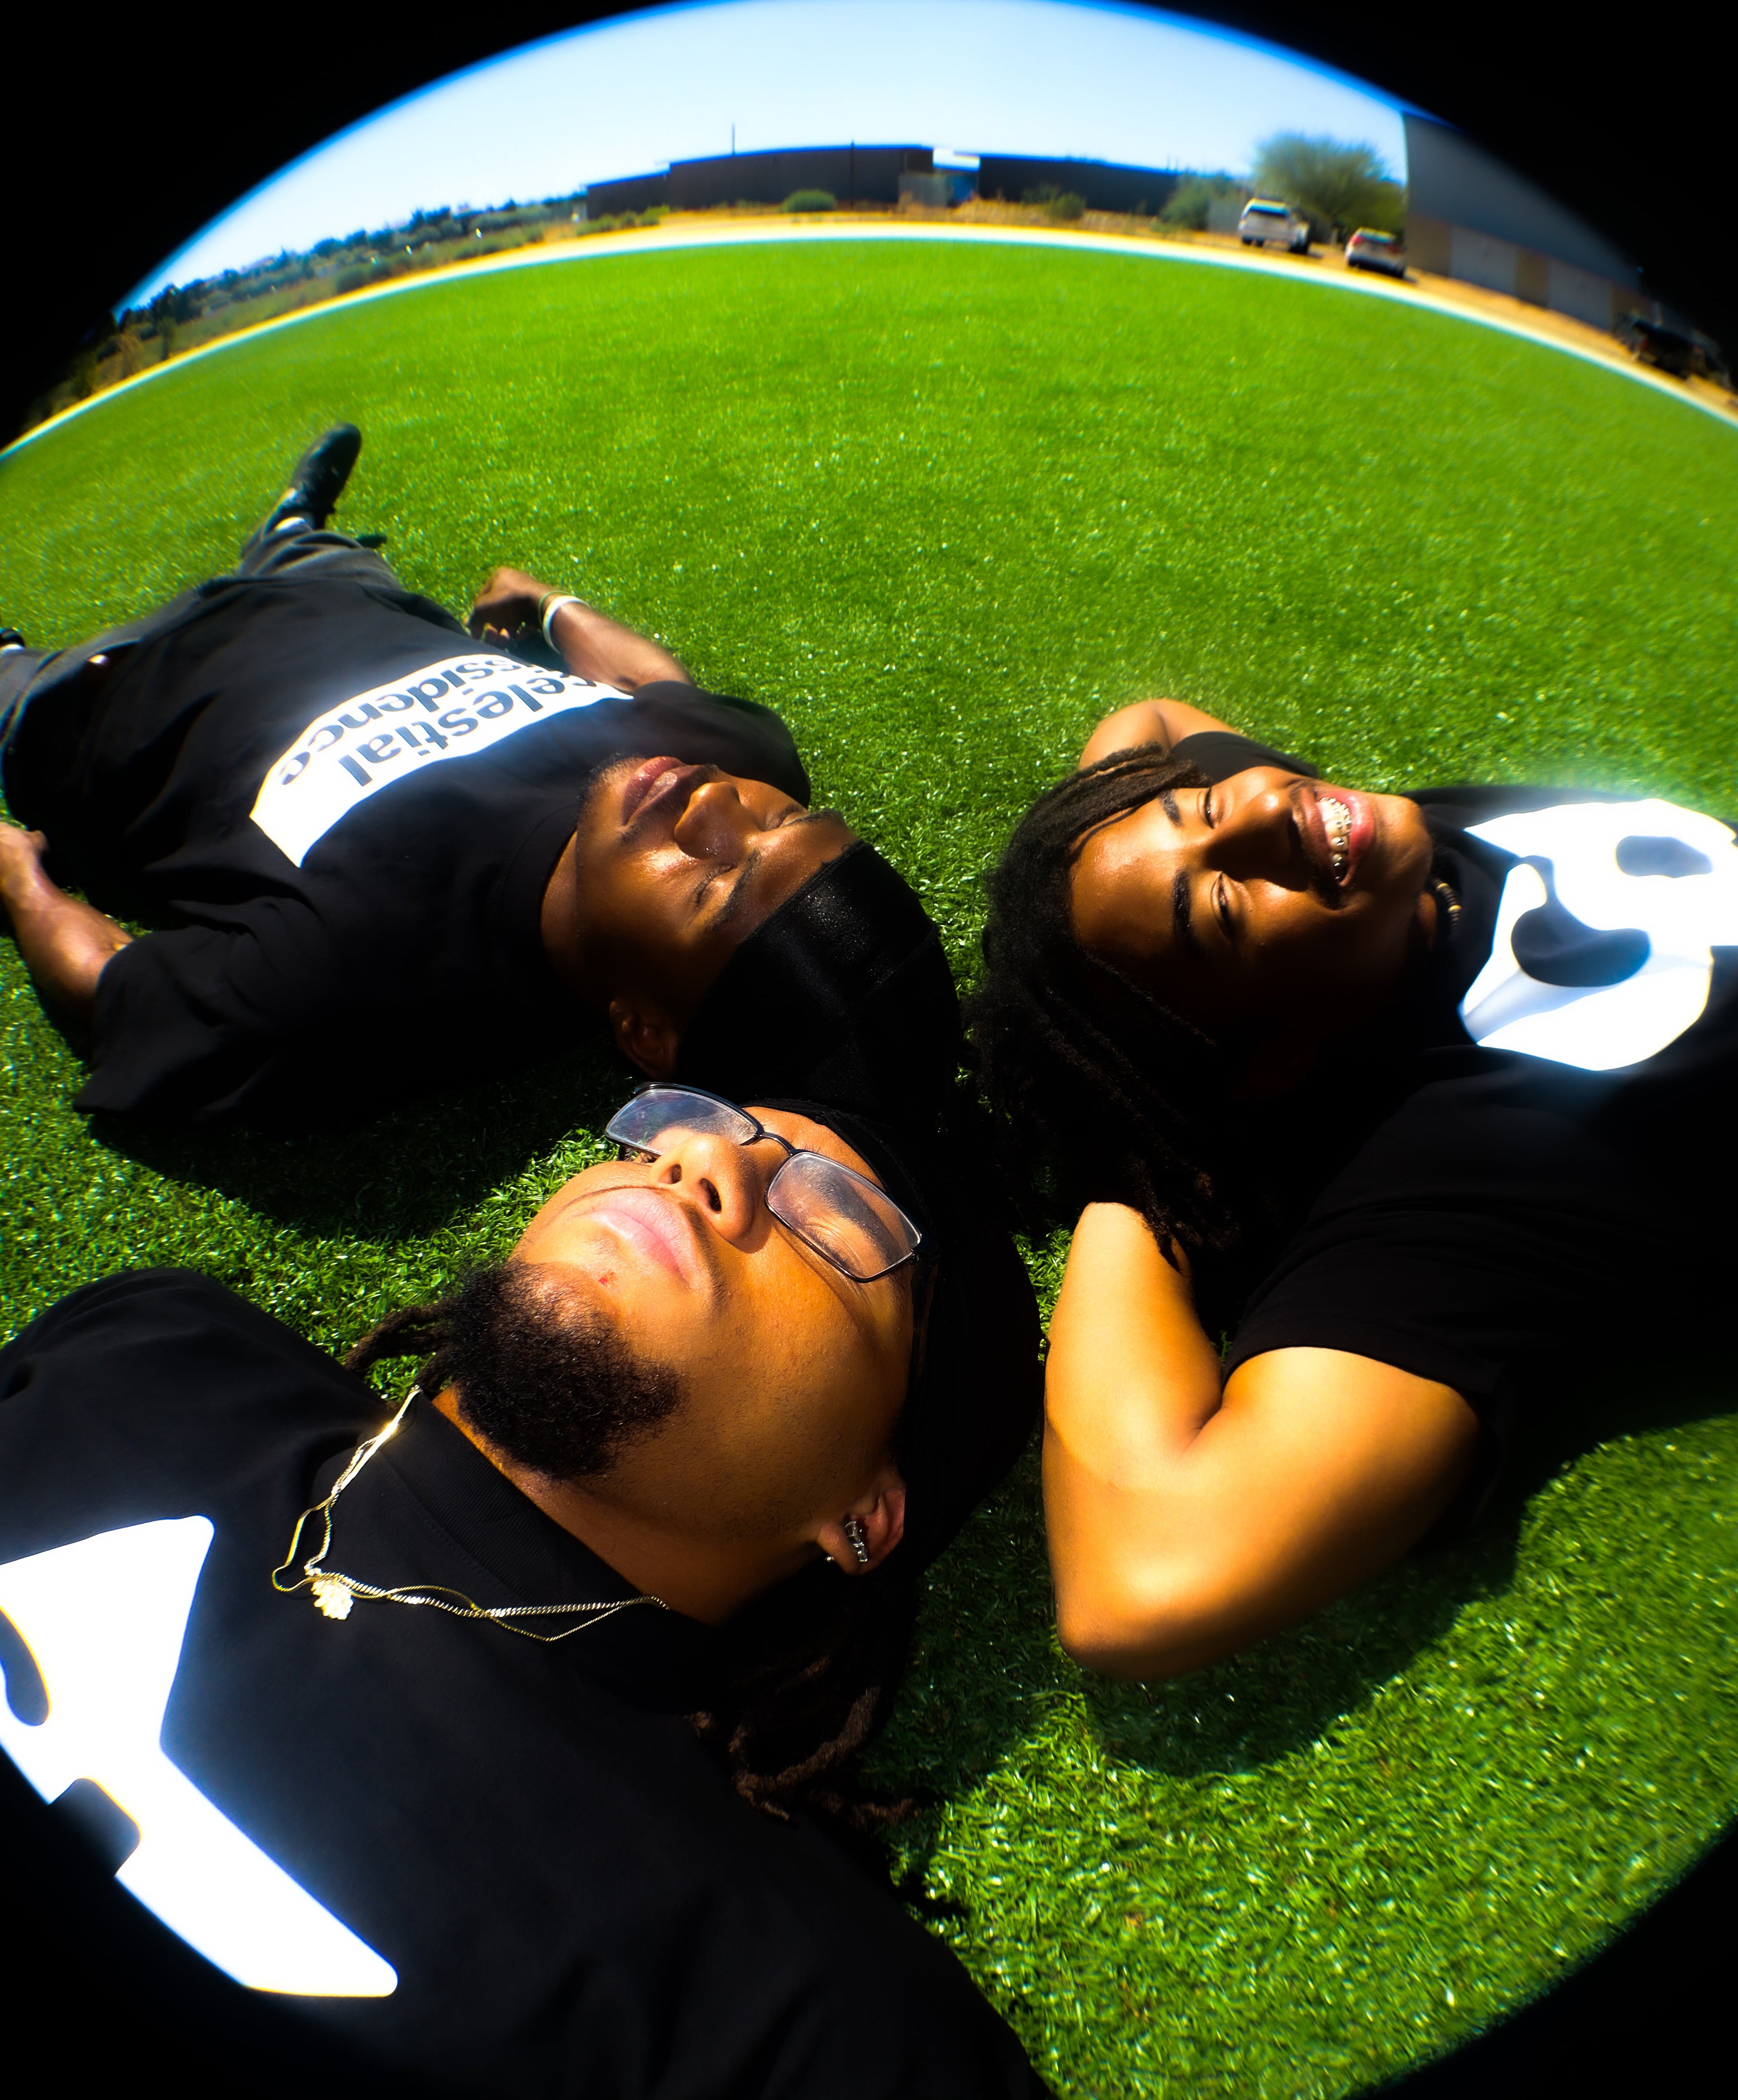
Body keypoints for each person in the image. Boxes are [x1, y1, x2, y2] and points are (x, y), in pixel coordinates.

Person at [0, 1079, 1046, 2095]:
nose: (702, 1158)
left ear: (868, 1513)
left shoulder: (799, 2015)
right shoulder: (157, 1347)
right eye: (686, 1118)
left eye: (829, 1221)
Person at [966, 692, 1738, 1680]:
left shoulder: (1365, 864)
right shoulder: (1479, 1144)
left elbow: (1147, 724)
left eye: (1200, 805)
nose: (1264, 808)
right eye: (1224, 907)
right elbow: (1137, 1585)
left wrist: (1132, 833)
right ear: (1273, 1060)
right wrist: (1134, 1163)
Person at [0, 427, 960, 1129]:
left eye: (713, 885)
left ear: (644, 1034)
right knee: (320, 554)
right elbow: (654, 680)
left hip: (101, 693)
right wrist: (547, 602)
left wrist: (17, 877)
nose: (716, 801)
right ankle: (292, 526)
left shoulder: (360, 984)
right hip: (341, 597)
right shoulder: (726, 768)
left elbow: (112, 984)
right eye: (783, 819)